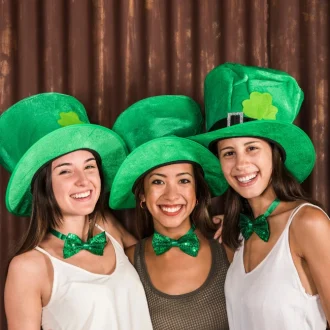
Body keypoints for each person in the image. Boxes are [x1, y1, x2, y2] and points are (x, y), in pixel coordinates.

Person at [190, 62, 330, 329]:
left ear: (274, 154)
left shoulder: (307, 223)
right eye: (228, 152)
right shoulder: (238, 235)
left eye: (252, 148)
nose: (240, 164)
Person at [0, 93, 152, 330]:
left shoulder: (107, 227)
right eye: (65, 171)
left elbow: (158, 264)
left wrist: (223, 226)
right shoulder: (29, 267)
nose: (84, 181)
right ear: (43, 185)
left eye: (89, 166)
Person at [109, 95, 230, 330]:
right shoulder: (127, 261)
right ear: (142, 196)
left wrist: (237, 221)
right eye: (157, 182)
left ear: (198, 194)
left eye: (183, 180)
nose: (171, 195)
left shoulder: (229, 247)